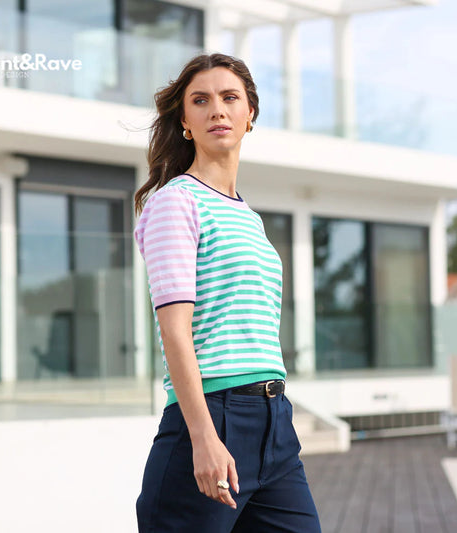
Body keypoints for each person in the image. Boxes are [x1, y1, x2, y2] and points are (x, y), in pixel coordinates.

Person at [133, 53, 321, 533]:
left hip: (274, 420)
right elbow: (175, 332)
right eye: (201, 100)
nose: (217, 109)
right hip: (213, 414)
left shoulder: (248, 216)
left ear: (249, 114)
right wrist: (203, 437)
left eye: (229, 97)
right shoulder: (176, 201)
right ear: (185, 122)